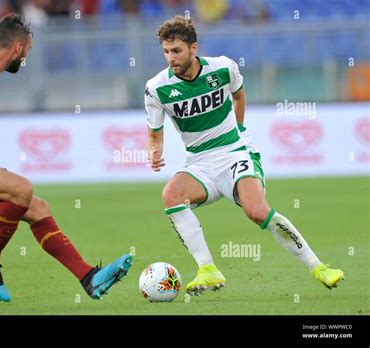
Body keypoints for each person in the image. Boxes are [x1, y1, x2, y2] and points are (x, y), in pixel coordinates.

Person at [0, 13, 132, 302]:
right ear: (17, 47)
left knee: (37, 207)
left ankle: (88, 276)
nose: (27, 55)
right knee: (21, 189)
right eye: (27, 50)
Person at [144, 15, 344, 296]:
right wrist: (154, 153)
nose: (170, 58)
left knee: (257, 211)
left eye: (176, 51)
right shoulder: (157, 88)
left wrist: (237, 129)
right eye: (165, 52)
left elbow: (238, 96)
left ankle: (319, 266)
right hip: (199, 163)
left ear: (193, 48)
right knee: (171, 195)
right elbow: (154, 134)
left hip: (235, 153)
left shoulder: (224, 69)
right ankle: (208, 270)